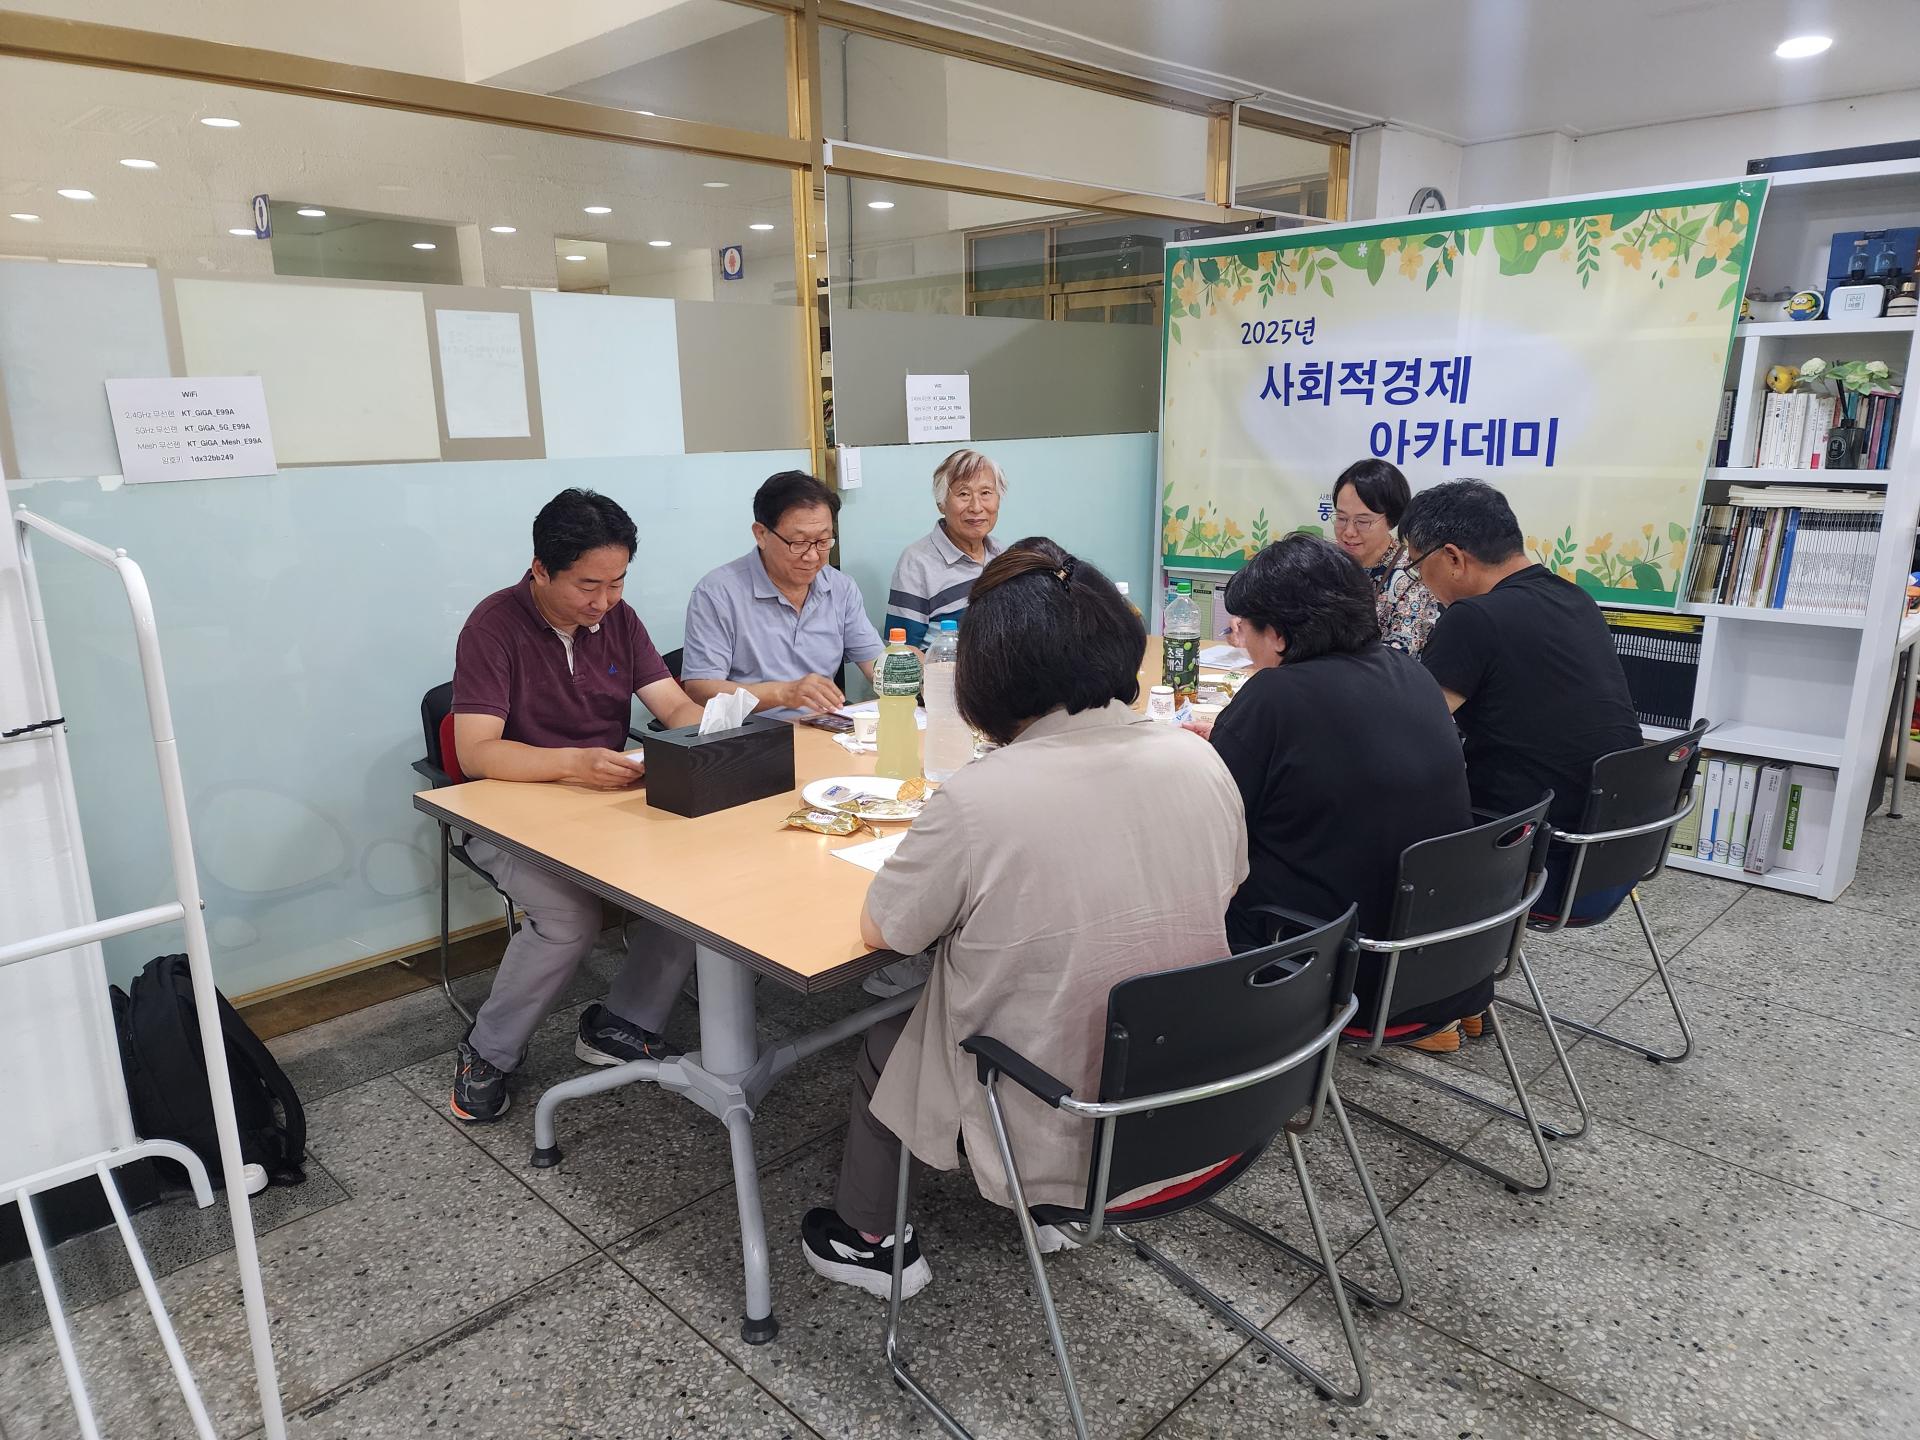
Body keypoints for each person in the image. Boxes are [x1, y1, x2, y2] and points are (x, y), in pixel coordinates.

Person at [799, 539, 1247, 1300]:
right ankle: (1053, 1214)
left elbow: (887, 931)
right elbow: (1225, 884)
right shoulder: (1199, 759)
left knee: (890, 1039)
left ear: (989, 677)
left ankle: (869, 1240)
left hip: (1059, 1106)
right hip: (1197, 1089)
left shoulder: (982, 799)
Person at [447, 489, 706, 1123]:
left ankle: (621, 1022)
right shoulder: (493, 626)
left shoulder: (618, 618)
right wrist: (572, 763)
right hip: (508, 812)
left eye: (617, 583)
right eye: (588, 585)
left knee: (699, 885)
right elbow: (476, 752)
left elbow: (673, 705)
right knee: (568, 918)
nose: (603, 602)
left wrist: (722, 733)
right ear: (540, 568)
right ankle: (488, 1051)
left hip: (603, 800)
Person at [1199, 535, 1472, 1039]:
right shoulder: (1409, 673)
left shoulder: (1275, 696)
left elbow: (1209, 827)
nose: (1243, 645)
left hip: (1330, 967)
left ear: (1277, 635)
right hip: (1442, 959)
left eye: (1243, 630)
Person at [1401, 477, 1643, 929]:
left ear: (1452, 557)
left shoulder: (1472, 619)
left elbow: (1409, 733)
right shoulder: (1575, 598)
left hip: (1540, 862)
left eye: (1417, 565)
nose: (1421, 582)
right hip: (1614, 856)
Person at [681, 471, 884, 720]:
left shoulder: (840, 587)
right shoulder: (718, 593)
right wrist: (783, 693)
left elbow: (877, 667)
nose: (812, 556)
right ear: (761, 534)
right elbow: (701, 689)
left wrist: (909, 675)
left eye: (823, 541)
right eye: (798, 543)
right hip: (749, 733)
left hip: (823, 728)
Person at [884, 448, 1007, 648]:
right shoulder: (917, 562)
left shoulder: (1001, 554)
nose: (976, 507)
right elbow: (901, 649)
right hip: (945, 668)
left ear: (998, 499)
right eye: (963, 494)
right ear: (941, 504)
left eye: (985, 493)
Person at [1331, 458, 1441, 654]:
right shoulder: (1324, 564)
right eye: (1341, 518)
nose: (1348, 532)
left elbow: (1399, 656)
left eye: (1362, 522)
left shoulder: (1413, 575)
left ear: (1391, 520)